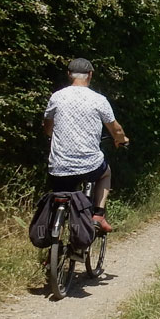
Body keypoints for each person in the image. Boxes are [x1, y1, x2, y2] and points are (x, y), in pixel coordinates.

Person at [43, 58, 129, 233]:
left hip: (59, 166)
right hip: (90, 165)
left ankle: (53, 241)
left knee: (60, 193)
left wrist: (53, 135)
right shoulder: (98, 100)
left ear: (69, 75)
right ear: (90, 75)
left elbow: (47, 127)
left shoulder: (57, 97)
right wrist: (121, 139)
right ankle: (98, 215)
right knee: (106, 173)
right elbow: (116, 129)